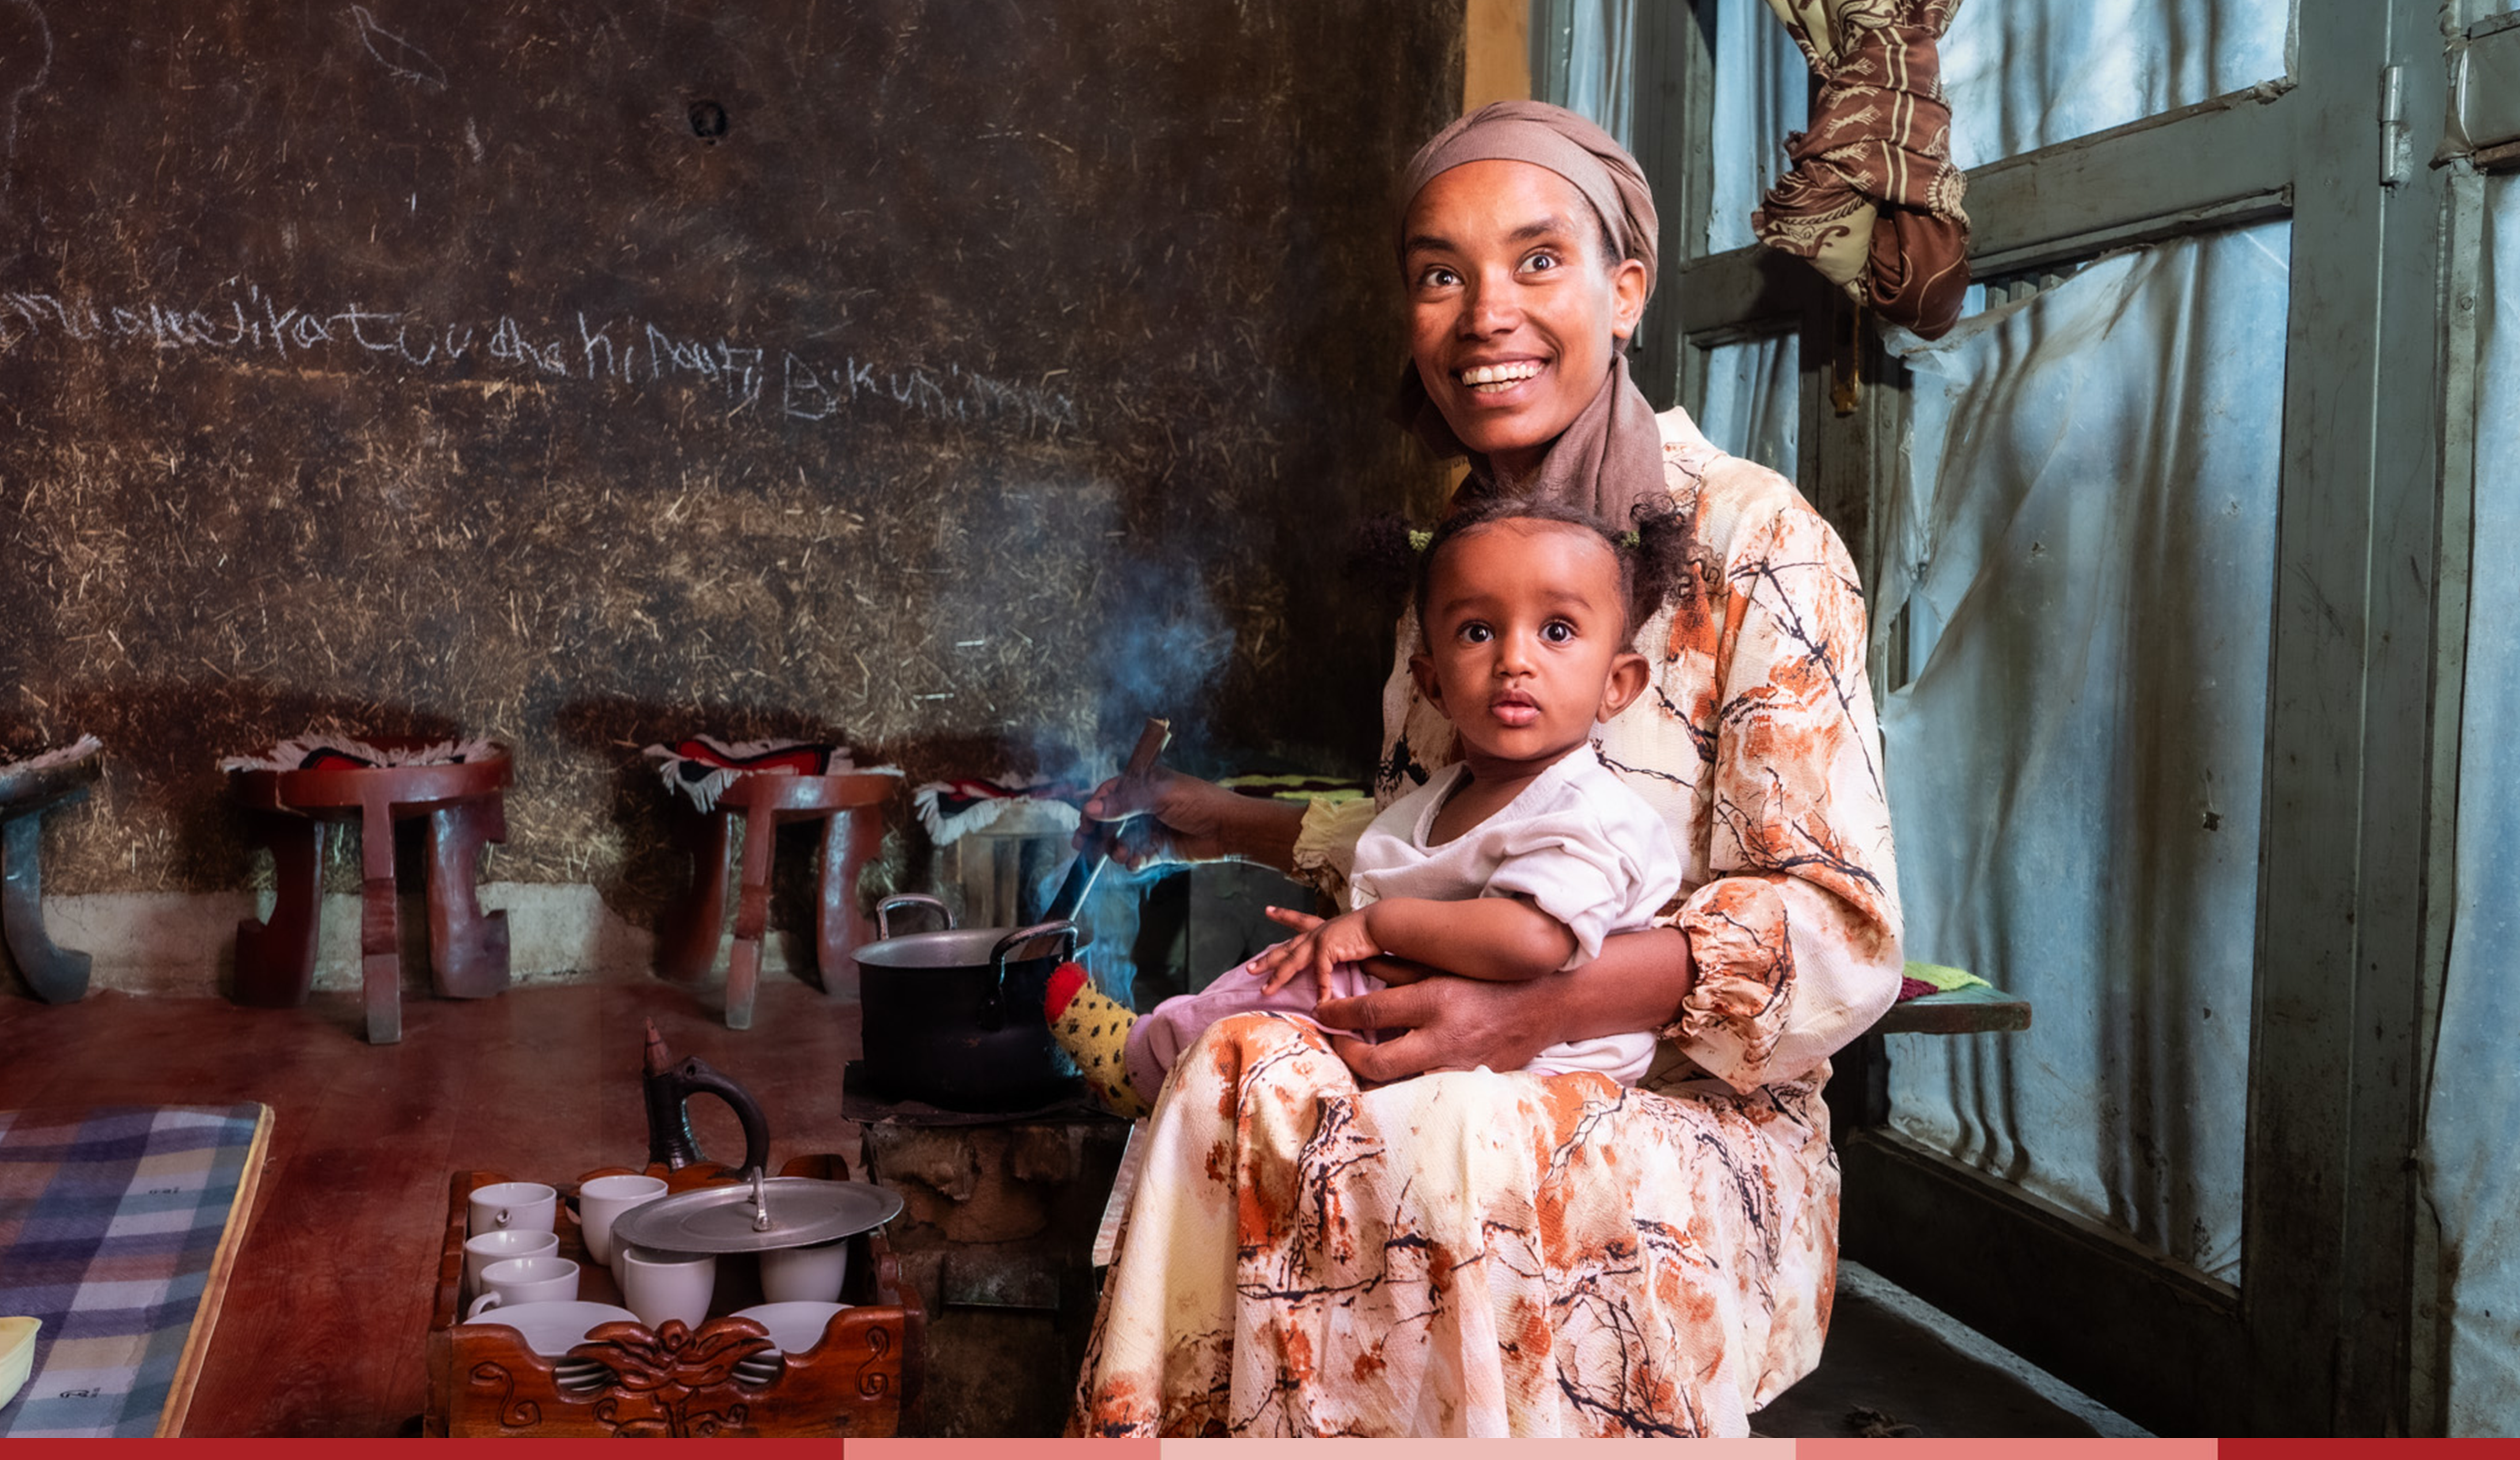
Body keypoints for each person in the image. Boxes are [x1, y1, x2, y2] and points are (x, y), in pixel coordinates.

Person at [1067, 100, 1902, 1438]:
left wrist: (1536, 1008)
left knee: (1454, 1139)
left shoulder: (1757, 544)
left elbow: (1841, 935)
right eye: (1439, 275)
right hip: (1456, 1063)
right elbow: (1438, 835)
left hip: (1684, 1111)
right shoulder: (1458, 563)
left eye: (1537, 260)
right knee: (1235, 1071)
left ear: (1625, 291)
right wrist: (1209, 817)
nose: (1484, 315)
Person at [1049, 498, 1689, 1111]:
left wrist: (1375, 928)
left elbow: (1534, 939)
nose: (1514, 661)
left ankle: (1144, 1061)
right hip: (1450, 1046)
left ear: (1617, 685)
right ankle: (1173, 1060)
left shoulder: (1587, 811)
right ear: (1433, 684)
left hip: (1537, 1075)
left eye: (1557, 631)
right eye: (1478, 632)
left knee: (1287, 985)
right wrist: (1229, 830)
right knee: (1281, 979)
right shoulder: (1450, 793)